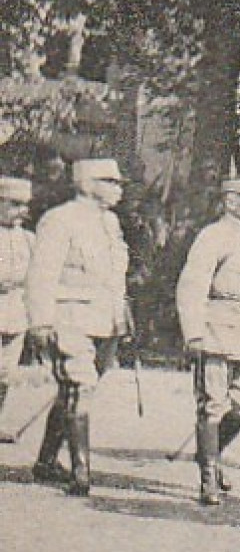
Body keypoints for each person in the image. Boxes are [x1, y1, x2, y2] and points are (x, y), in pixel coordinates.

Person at [25, 158, 130, 495]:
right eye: (110, 181)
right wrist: (40, 321)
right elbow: (41, 275)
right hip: (69, 316)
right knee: (80, 388)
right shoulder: (59, 220)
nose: (118, 188)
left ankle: (45, 461)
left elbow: (116, 278)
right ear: (86, 182)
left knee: (75, 390)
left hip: (106, 320)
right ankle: (81, 473)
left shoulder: (111, 223)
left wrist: (123, 315)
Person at [176, 176, 240, 505]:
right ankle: (208, 477)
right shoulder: (212, 237)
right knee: (213, 405)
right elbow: (192, 286)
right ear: (230, 201)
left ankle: (212, 454)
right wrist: (193, 330)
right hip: (217, 329)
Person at [0, 176, 34, 443]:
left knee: (5, 372)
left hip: (15, 312)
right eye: (14, 204)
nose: (21, 211)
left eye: (24, 205)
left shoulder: (29, 240)